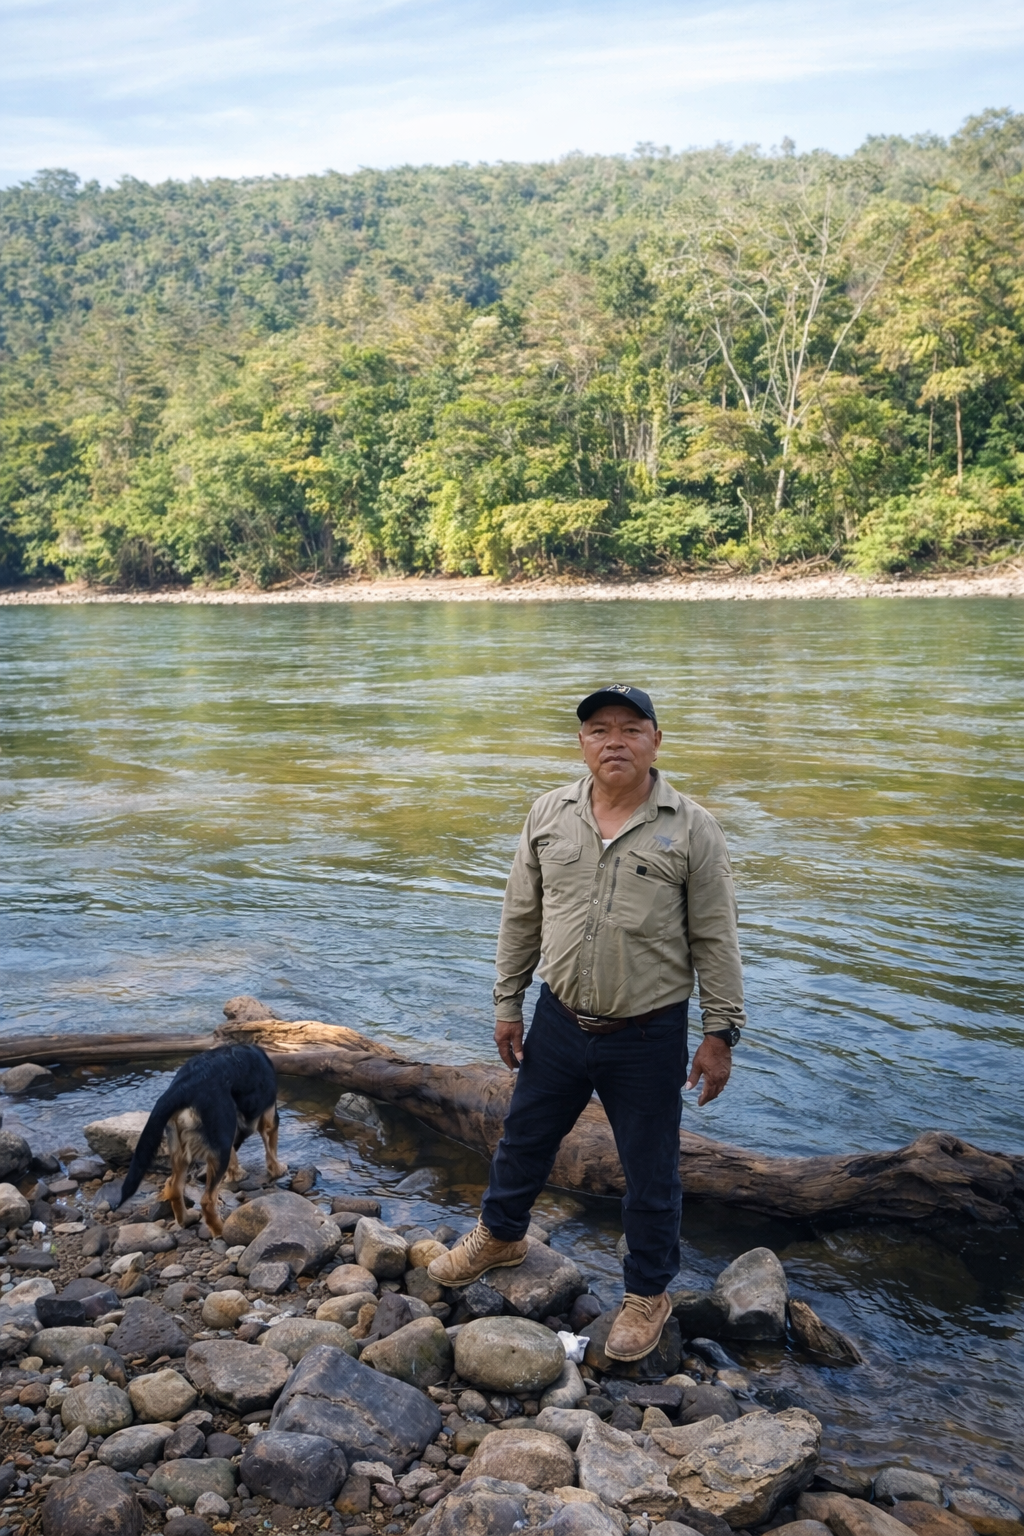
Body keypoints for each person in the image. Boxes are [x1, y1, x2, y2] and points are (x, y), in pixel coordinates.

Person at [428, 685, 745, 1361]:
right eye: (599, 729)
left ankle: (647, 1293)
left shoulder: (692, 828)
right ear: (582, 743)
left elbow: (716, 938)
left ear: (656, 740)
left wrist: (720, 1034)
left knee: (650, 1170)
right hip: (559, 1019)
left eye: (631, 728)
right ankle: (502, 1234)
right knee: (524, 1137)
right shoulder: (549, 813)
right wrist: (507, 1002)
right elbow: (521, 915)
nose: (615, 741)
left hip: (649, 1034)